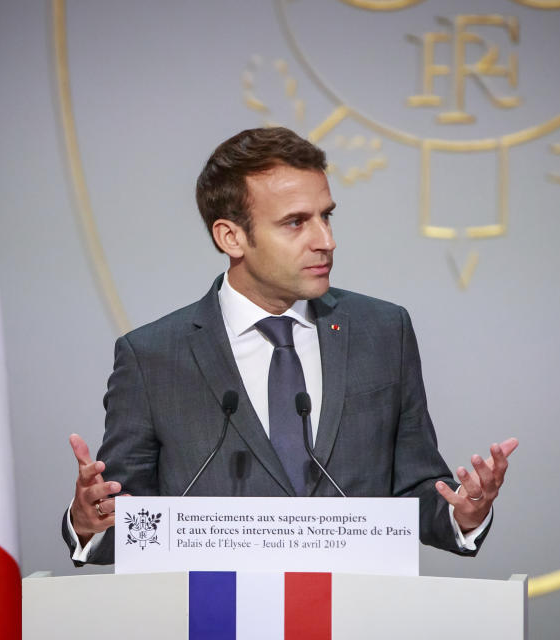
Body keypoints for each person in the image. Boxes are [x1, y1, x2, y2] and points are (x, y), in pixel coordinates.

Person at [63, 127, 518, 565]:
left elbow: (416, 489)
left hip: (354, 610)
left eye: (326, 215)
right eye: (296, 222)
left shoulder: (382, 331)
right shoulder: (154, 356)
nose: (326, 240)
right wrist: (90, 522)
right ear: (231, 237)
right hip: (218, 614)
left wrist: (460, 514)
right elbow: (126, 517)